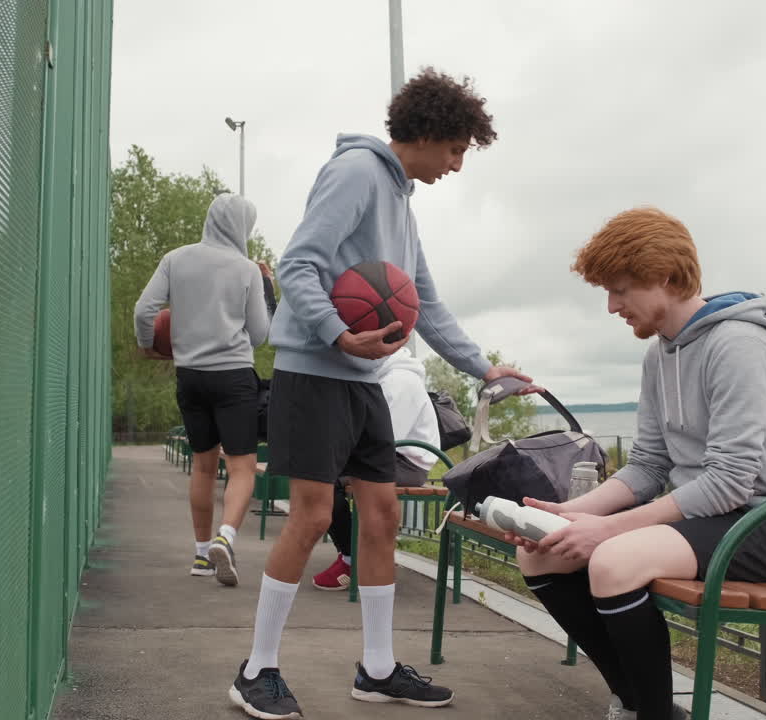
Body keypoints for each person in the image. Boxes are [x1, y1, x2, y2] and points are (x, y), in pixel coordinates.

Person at [228, 68, 535, 719]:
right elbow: (298, 263)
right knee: (312, 517)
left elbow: (423, 303)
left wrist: (485, 370)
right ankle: (256, 669)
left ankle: (375, 669)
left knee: (384, 517)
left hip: (364, 381)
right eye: (455, 150)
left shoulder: (403, 203)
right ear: (427, 134)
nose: (457, 164)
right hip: (315, 372)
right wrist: (340, 334)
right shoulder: (357, 174)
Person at [509, 207, 766, 720]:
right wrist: (569, 515)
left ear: (666, 278)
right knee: (543, 554)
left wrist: (606, 531)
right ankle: (636, 704)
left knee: (613, 559)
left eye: (621, 289)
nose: (612, 306)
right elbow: (649, 467)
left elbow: (728, 484)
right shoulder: (660, 353)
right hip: (706, 518)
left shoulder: (740, 345)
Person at [134, 193, 274, 587]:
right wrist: (265, 285)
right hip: (233, 376)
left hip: (190, 376)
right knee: (242, 466)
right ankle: (225, 538)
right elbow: (261, 335)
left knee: (203, 465)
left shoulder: (175, 259)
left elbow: (144, 310)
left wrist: (149, 344)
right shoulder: (246, 269)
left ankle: (200, 557)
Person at [312, 348, 440, 591]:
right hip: (394, 455)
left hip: (407, 462)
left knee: (325, 481)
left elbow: (384, 437)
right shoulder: (385, 376)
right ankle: (354, 555)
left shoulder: (399, 381)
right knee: (321, 476)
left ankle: (352, 559)